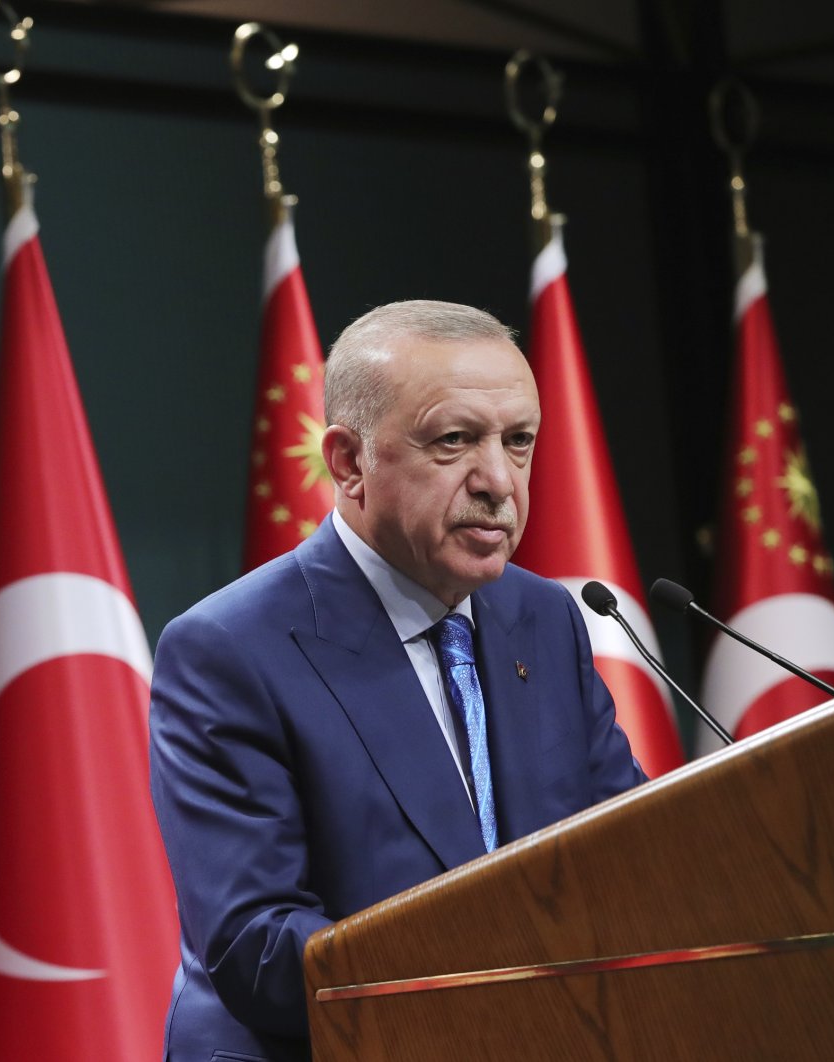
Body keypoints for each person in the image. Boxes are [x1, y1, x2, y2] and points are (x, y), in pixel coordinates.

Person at [148, 300, 645, 1061]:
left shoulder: (543, 618)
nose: (498, 482)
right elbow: (257, 948)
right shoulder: (229, 651)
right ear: (349, 463)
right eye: (454, 441)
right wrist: (496, 980)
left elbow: (628, 850)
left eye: (518, 443)